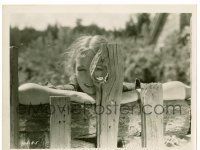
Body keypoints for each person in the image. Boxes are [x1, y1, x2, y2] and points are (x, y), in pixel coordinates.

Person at [18, 35, 191, 105]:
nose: (89, 77)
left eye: (98, 68)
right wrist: (75, 96)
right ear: (74, 71)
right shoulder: (73, 90)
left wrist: (133, 95)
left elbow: (185, 89)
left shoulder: (120, 88)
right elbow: (22, 93)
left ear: (110, 68)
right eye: (82, 69)